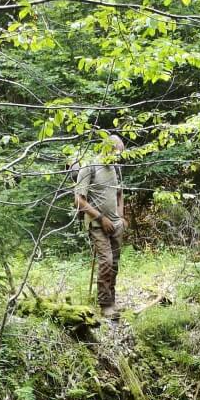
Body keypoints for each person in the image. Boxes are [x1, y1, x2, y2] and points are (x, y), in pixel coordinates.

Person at [73, 131, 127, 320]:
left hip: (116, 224)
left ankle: (111, 300)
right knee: (106, 262)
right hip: (97, 225)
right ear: (106, 149)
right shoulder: (89, 167)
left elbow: (120, 194)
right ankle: (105, 305)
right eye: (116, 153)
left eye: (120, 153)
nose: (118, 157)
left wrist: (120, 217)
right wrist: (101, 218)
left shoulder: (116, 168)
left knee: (115, 264)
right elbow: (79, 201)